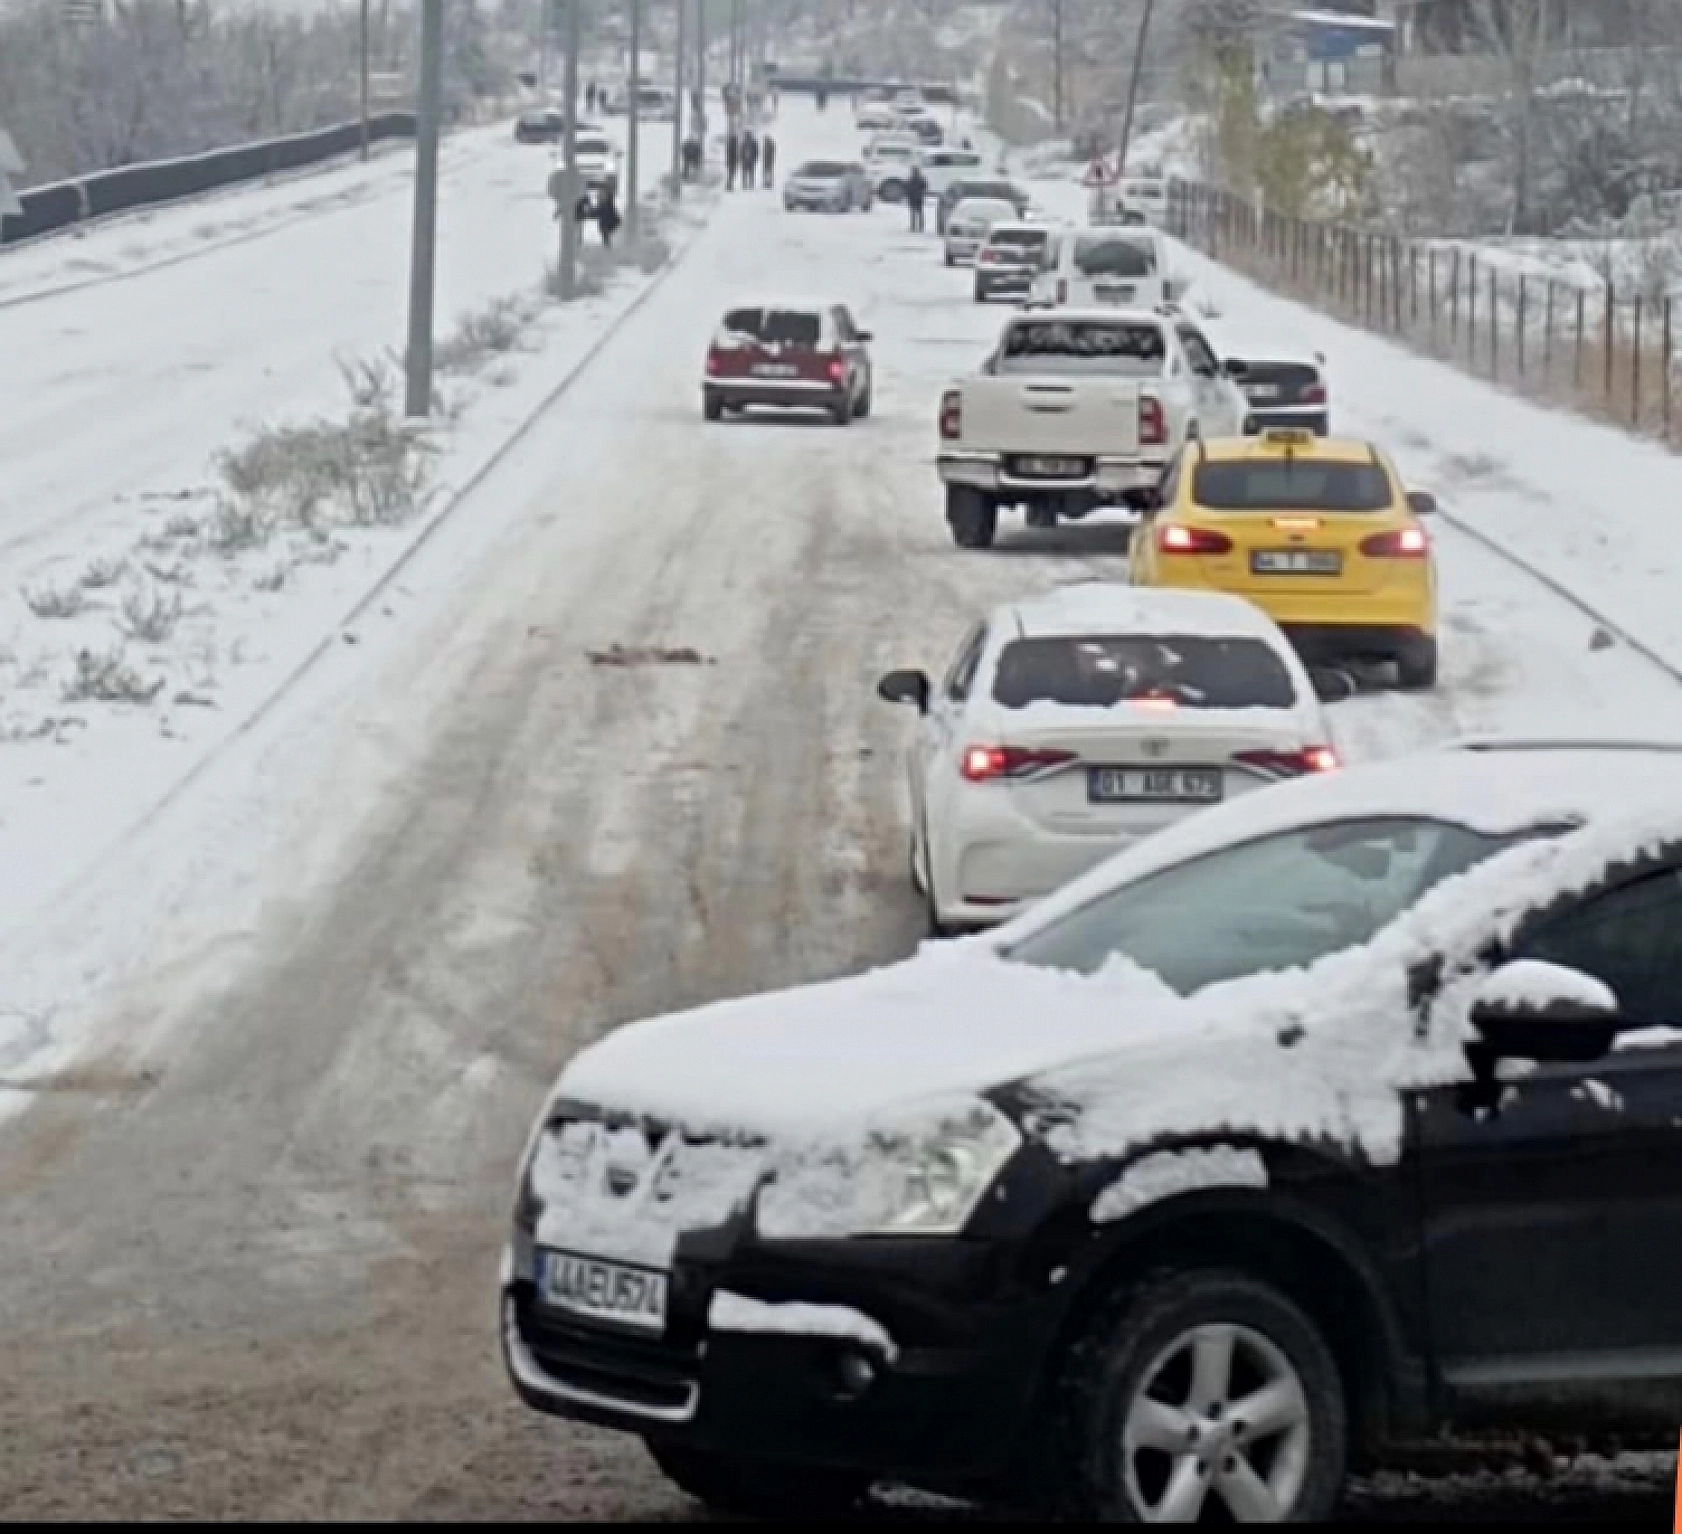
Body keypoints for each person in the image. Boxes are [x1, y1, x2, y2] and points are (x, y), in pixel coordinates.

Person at [595, 183, 621, 249]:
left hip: (607, 222)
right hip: (607, 222)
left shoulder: (607, 204)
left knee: (606, 235)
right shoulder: (605, 204)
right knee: (606, 235)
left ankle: (608, 247)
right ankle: (608, 247)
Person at [906, 163, 928, 232]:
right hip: (919, 197)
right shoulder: (921, 179)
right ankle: (920, 227)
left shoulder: (911, 179)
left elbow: (908, 188)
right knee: (919, 212)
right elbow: (925, 187)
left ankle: (913, 226)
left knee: (913, 212)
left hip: (913, 198)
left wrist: (908, 196)